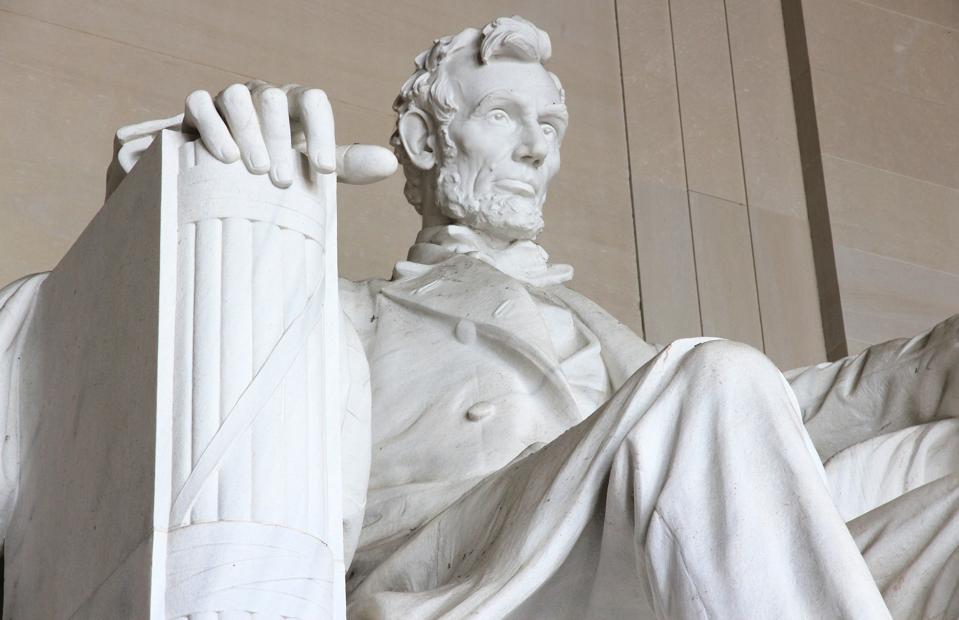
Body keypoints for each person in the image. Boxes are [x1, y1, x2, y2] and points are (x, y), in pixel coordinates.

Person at [5, 15, 959, 619]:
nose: (538, 152)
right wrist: (180, 191)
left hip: (644, 555)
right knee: (712, 377)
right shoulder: (346, 309)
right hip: (465, 581)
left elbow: (781, 422)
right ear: (426, 138)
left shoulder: (604, 334)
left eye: (549, 128)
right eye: (506, 118)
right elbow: (140, 367)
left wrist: (937, 363)